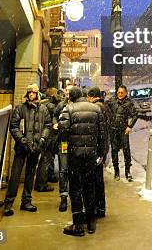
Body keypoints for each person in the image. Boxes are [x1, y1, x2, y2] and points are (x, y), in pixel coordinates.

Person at [58, 86, 107, 237]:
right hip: (91, 155)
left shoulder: (68, 109)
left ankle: (78, 225)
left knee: (76, 189)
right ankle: (91, 223)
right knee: (90, 187)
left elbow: (63, 131)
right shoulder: (96, 109)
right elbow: (102, 133)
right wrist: (101, 153)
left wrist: (66, 147)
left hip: (75, 156)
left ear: (71, 97)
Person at [3, 84, 51, 217]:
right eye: (29, 92)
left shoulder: (43, 109)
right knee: (15, 176)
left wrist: (42, 139)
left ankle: (26, 201)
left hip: (36, 147)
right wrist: (22, 140)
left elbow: (48, 125)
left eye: (33, 92)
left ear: (37, 94)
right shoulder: (20, 108)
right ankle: (8, 203)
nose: (31, 94)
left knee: (30, 175)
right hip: (21, 148)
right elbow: (13, 126)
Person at [106, 85, 138, 181]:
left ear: (125, 93)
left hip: (123, 130)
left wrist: (129, 126)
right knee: (114, 150)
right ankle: (116, 171)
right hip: (113, 129)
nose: (120, 94)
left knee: (126, 150)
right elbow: (104, 109)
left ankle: (127, 171)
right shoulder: (112, 101)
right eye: (119, 92)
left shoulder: (129, 103)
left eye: (122, 92)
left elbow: (135, 115)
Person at [87, 87, 108, 218]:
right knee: (98, 180)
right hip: (102, 147)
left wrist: (100, 151)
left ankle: (97, 208)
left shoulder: (97, 108)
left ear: (92, 96)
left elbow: (100, 131)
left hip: (97, 149)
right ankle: (100, 208)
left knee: (95, 180)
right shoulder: (103, 106)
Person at [34, 87, 59, 192]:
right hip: (49, 136)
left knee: (45, 158)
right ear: (53, 95)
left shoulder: (42, 103)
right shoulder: (50, 105)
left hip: (43, 135)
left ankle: (45, 179)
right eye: (56, 93)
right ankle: (41, 184)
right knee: (46, 160)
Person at [54, 85, 73, 212]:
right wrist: (55, 123)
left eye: (69, 91)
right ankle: (64, 197)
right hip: (64, 141)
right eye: (66, 91)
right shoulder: (61, 105)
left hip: (76, 142)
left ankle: (76, 197)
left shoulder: (78, 106)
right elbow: (54, 115)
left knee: (75, 171)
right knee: (63, 170)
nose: (67, 93)